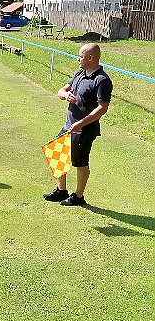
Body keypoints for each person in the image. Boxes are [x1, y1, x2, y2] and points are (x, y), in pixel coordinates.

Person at [43, 43, 113, 206]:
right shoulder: (80, 73)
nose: (78, 59)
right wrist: (65, 95)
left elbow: (102, 108)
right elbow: (61, 90)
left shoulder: (102, 80)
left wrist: (81, 123)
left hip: (85, 130)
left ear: (90, 57)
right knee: (56, 153)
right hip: (69, 125)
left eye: (80, 56)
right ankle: (61, 191)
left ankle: (78, 196)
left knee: (80, 162)